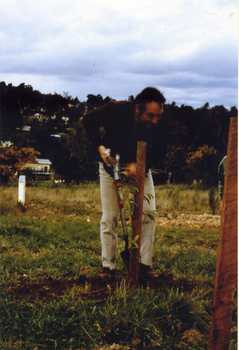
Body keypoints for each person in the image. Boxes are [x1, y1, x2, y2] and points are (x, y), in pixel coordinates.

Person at [83, 87, 168, 279]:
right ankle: (108, 267)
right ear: (137, 109)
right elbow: (88, 120)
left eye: (158, 116)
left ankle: (144, 266)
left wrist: (139, 166)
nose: (155, 121)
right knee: (111, 216)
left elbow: (162, 150)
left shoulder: (160, 122)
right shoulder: (115, 110)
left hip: (141, 168)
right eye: (150, 116)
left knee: (148, 213)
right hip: (110, 168)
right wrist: (100, 146)